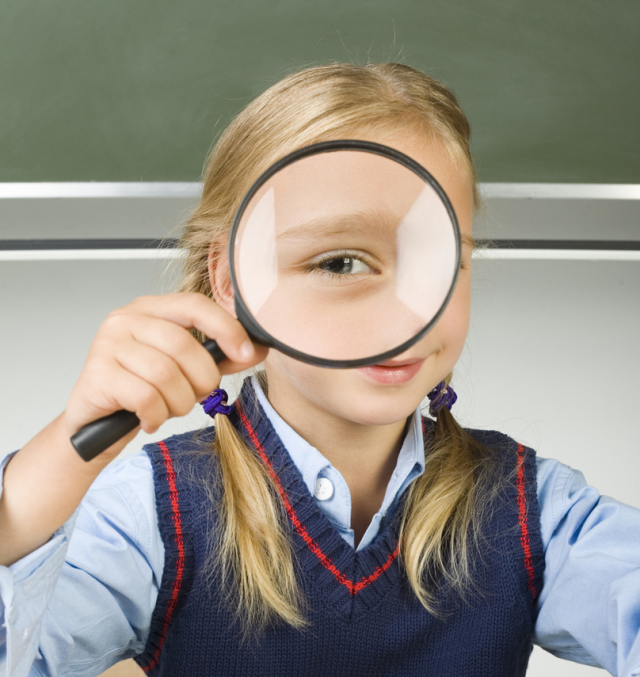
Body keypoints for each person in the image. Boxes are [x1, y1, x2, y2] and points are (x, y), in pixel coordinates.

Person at [0, 63, 638, 677]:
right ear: (230, 280)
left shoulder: (540, 513)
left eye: (442, 260)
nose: (406, 316)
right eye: (340, 263)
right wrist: (47, 472)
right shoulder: (148, 515)